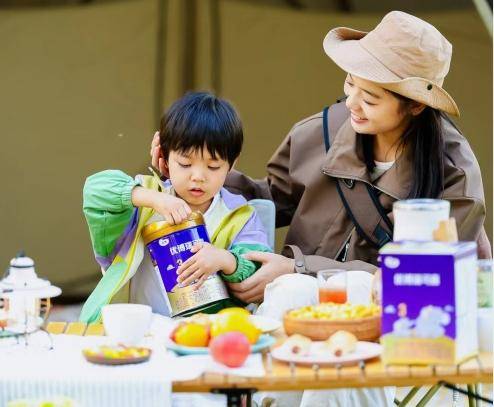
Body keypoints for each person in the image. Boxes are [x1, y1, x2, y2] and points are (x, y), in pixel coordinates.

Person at [151, 11, 491, 406]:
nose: (352, 103)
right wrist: (189, 170)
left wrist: (299, 268)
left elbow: (435, 280)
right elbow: (269, 198)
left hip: (397, 314)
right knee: (285, 297)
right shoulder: (318, 133)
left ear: (414, 106)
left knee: (291, 290)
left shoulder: (454, 172)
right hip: (294, 299)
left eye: (370, 97)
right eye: (350, 83)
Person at [80, 92, 271, 323]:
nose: (198, 177)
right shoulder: (149, 197)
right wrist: (154, 198)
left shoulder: (239, 215)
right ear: (164, 155)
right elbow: (95, 190)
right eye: (185, 164)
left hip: (206, 331)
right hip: (141, 325)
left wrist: (224, 260)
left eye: (213, 166)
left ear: (232, 164)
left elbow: (258, 267)